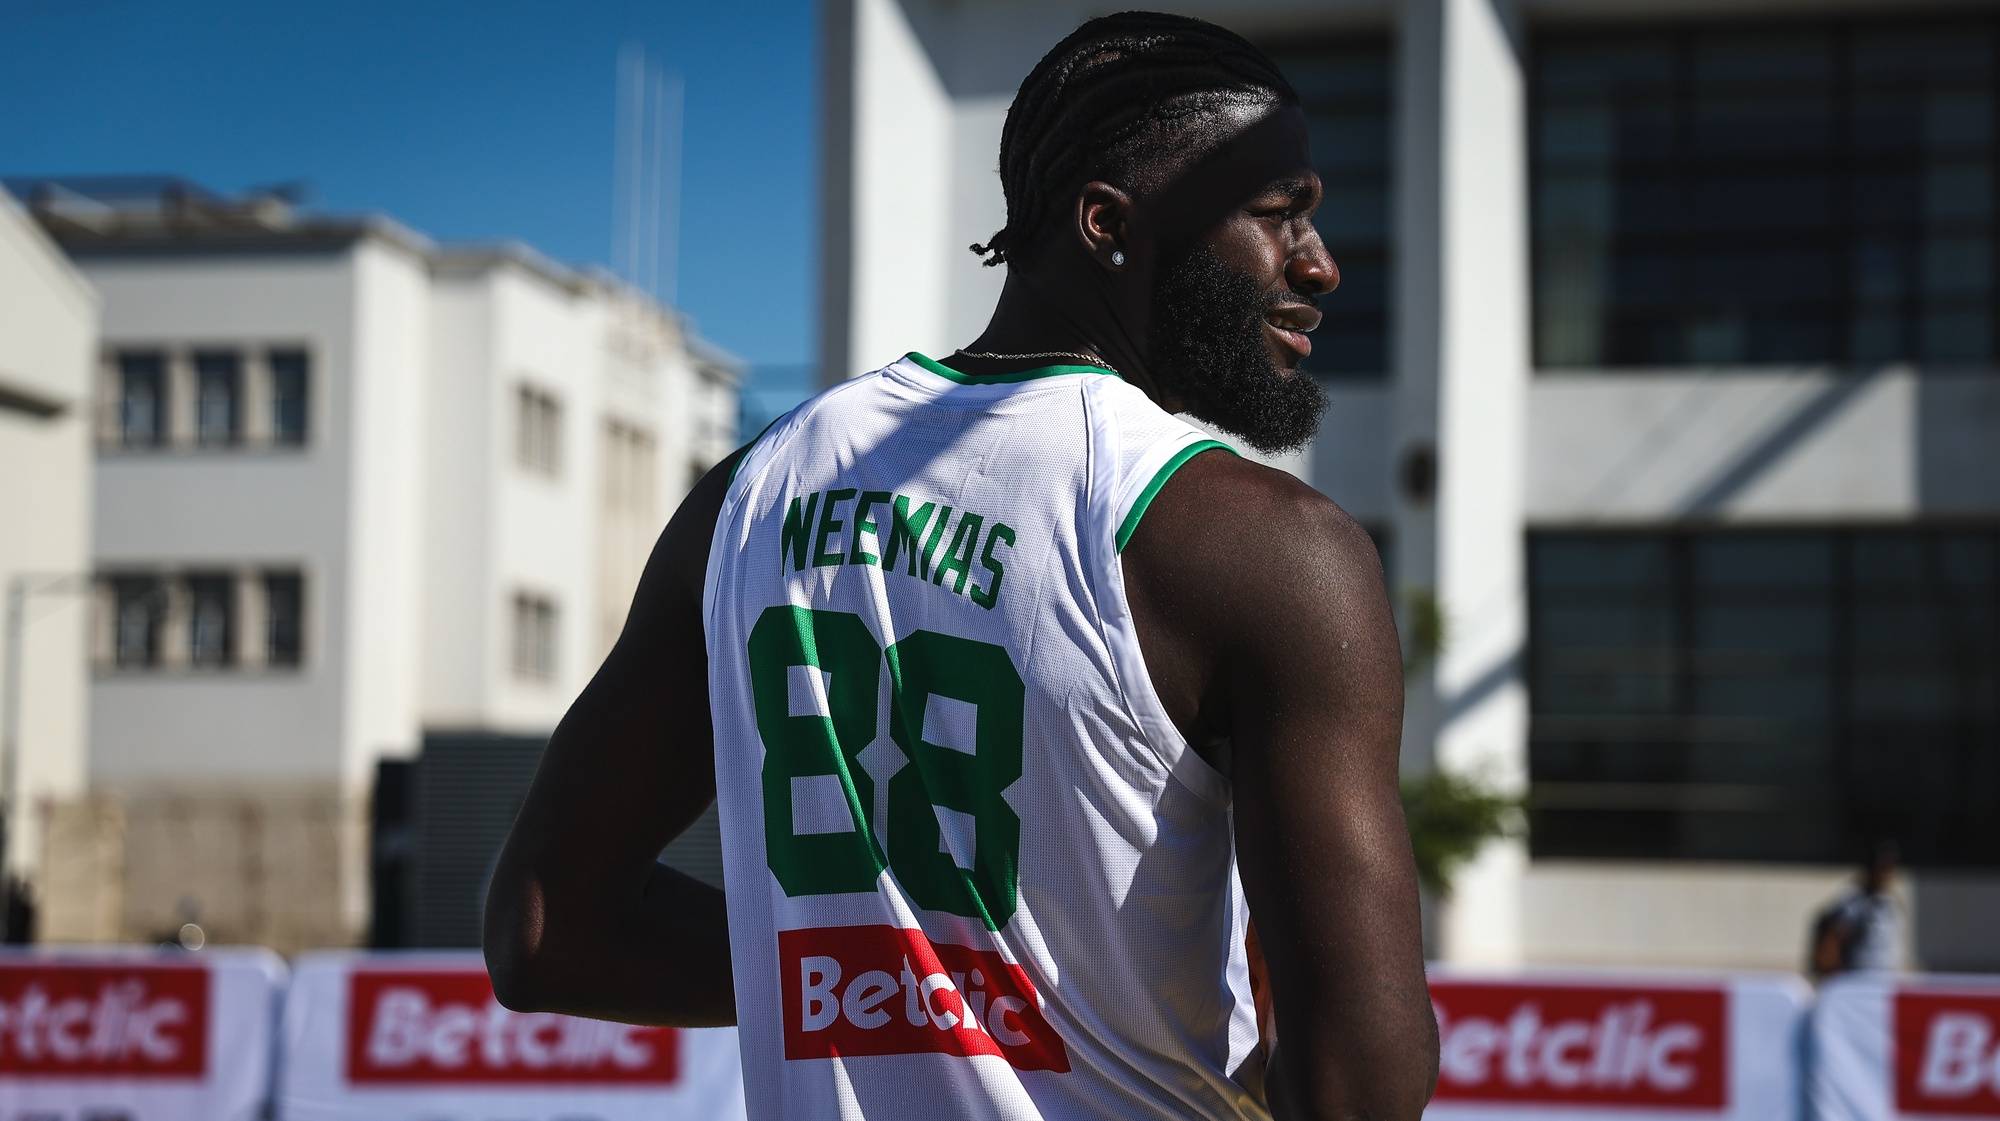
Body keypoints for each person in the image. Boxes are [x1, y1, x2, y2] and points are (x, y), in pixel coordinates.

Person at [484, 11, 1438, 1119]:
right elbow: (1363, 1078)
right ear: (1106, 225)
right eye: (1277, 217)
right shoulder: (1265, 548)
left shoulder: (748, 497)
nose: (1318, 264)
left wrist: (871, 977)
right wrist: (980, 995)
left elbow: (546, 928)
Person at [1809, 841, 1903, 979]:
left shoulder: (1889, 901)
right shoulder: (1854, 901)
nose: (1886, 874)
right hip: (1858, 981)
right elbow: (1832, 940)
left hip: (1884, 980)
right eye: (1881, 868)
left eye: (1889, 869)